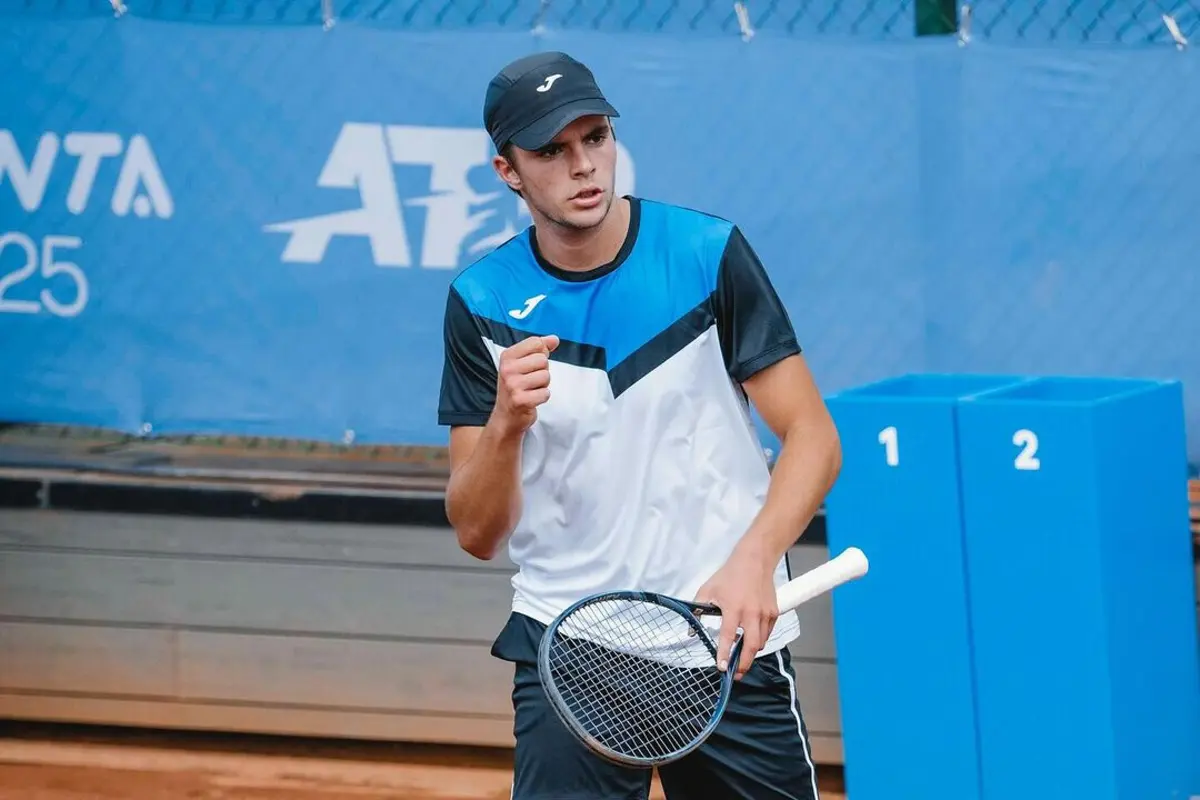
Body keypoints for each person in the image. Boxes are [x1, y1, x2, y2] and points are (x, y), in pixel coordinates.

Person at [437, 50, 843, 800]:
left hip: (727, 645)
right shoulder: (482, 301)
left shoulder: (706, 254)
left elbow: (814, 438)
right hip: (572, 646)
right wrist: (504, 425)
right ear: (509, 173)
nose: (583, 165)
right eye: (552, 151)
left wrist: (756, 558)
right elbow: (476, 532)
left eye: (595, 138)